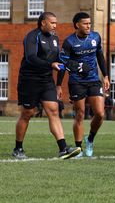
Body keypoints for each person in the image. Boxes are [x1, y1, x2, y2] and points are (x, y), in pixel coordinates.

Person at [12, 12, 80, 160]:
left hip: (46, 80)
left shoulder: (55, 38)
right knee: (27, 113)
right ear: (43, 23)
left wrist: (72, 69)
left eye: (56, 23)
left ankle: (63, 149)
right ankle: (18, 148)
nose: (55, 25)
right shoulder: (32, 36)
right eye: (52, 22)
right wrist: (50, 65)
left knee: (53, 110)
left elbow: (59, 60)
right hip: (29, 80)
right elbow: (31, 58)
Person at [57, 12, 109, 157]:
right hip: (77, 81)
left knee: (100, 113)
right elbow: (63, 63)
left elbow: (100, 56)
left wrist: (105, 75)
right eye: (85, 23)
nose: (88, 26)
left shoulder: (95, 37)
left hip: (93, 80)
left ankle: (90, 139)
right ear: (77, 25)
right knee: (80, 114)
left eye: (89, 23)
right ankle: (78, 148)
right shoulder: (69, 42)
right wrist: (59, 85)